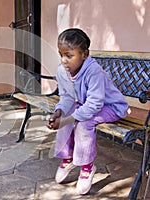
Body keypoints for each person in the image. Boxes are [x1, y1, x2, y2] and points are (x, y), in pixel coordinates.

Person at [47, 28, 128, 195]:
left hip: (112, 107)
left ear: (84, 54)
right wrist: (59, 112)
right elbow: (67, 97)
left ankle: (87, 166)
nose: (64, 60)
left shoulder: (94, 71)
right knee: (67, 113)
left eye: (69, 56)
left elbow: (94, 105)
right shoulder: (62, 71)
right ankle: (68, 158)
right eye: (61, 54)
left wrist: (68, 120)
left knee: (84, 122)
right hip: (90, 105)